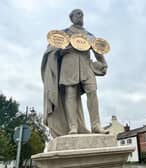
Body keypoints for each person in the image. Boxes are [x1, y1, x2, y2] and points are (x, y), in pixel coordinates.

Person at [41, 9, 109, 137]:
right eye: (77, 14)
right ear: (71, 18)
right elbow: (51, 50)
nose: (80, 16)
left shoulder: (89, 35)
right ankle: (73, 127)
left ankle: (96, 125)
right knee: (70, 94)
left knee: (93, 93)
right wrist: (60, 52)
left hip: (86, 66)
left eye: (82, 14)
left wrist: (103, 64)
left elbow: (98, 51)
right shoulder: (64, 33)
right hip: (68, 66)